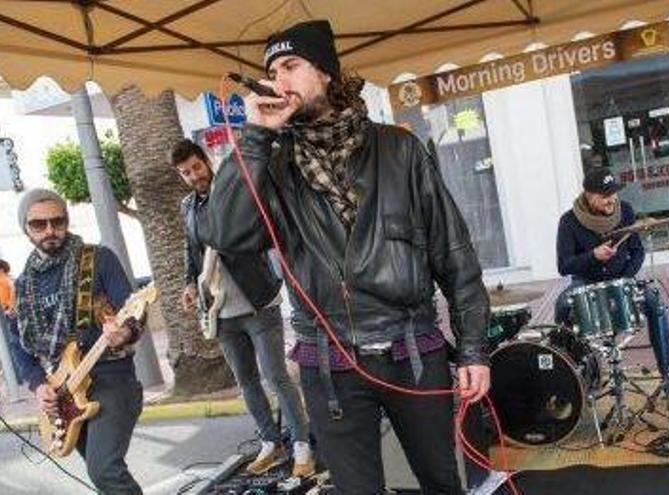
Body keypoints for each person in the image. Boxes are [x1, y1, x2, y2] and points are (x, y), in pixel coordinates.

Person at [200, 20, 491, 494]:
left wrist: (474, 348)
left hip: (412, 349)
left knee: (443, 483)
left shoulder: (400, 149)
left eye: (291, 65)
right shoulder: (273, 162)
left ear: (328, 73)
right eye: (272, 71)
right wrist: (254, 137)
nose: (279, 79)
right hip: (328, 364)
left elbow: (454, 252)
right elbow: (227, 235)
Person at [172, 138, 314, 476]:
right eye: (185, 173)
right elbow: (191, 252)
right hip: (220, 314)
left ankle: (302, 445)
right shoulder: (187, 208)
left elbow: (261, 233)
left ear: (206, 161)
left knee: (276, 377)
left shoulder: (235, 192)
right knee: (246, 382)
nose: (193, 176)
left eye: (196, 167)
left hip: (257, 302)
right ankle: (270, 442)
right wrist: (191, 285)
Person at [9, 189, 143, 494]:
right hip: (64, 392)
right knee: (105, 476)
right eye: (39, 224)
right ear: (25, 229)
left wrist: (124, 332)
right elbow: (20, 344)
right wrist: (38, 384)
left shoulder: (98, 259)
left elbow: (132, 311)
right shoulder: (23, 284)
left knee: (104, 470)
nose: (50, 230)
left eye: (58, 221)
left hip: (111, 377)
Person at [555, 167, 669, 378]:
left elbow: (637, 251)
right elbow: (564, 266)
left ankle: (667, 374)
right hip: (586, 283)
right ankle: (572, 378)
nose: (611, 199)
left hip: (622, 279)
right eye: (605, 195)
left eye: (613, 193)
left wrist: (626, 277)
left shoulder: (625, 211)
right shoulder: (569, 221)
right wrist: (593, 256)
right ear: (589, 196)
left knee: (655, 302)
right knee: (562, 305)